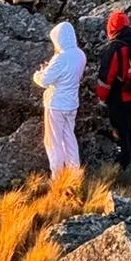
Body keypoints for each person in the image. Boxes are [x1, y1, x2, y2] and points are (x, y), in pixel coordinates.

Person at [32, 21, 87, 175]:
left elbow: (44, 81)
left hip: (56, 104)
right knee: (69, 138)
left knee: (53, 141)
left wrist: (38, 73)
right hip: (72, 104)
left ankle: (58, 176)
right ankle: (74, 173)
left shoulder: (60, 58)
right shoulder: (80, 55)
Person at [95, 9, 131, 178]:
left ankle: (124, 173)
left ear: (111, 28)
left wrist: (101, 98)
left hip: (120, 100)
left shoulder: (115, 48)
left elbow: (106, 77)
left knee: (122, 136)